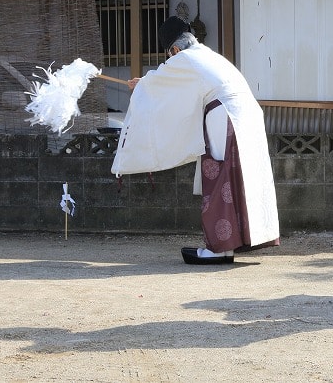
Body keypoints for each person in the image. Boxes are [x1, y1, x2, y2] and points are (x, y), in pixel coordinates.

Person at [111, 16, 280, 264]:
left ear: (175, 49)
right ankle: (231, 245)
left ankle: (219, 248)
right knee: (241, 179)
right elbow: (168, 85)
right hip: (245, 115)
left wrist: (143, 85)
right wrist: (147, 84)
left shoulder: (184, 59)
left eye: (169, 55)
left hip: (226, 116)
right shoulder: (207, 55)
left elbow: (161, 86)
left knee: (220, 176)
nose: (170, 59)